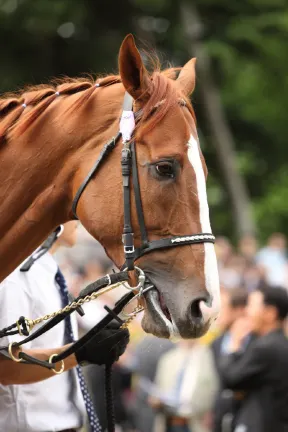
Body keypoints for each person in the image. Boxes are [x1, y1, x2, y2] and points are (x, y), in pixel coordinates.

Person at [0, 222, 129, 432]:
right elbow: (6, 367)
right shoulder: (15, 276)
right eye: (69, 212)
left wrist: (90, 347)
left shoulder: (48, 270)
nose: (77, 220)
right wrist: (80, 352)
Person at [218, 286, 288, 432]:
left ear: (270, 313)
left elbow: (231, 379)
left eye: (251, 306)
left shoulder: (266, 347)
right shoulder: (277, 342)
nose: (246, 312)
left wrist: (234, 344)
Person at [149, 339, 218, 432]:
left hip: (196, 423)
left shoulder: (209, 355)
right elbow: (158, 388)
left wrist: (211, 412)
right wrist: (156, 400)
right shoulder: (167, 358)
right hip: (170, 422)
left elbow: (216, 388)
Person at [210, 289, 249, 432]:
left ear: (238, 310)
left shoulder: (256, 341)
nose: (216, 314)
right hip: (221, 418)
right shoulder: (216, 343)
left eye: (222, 308)